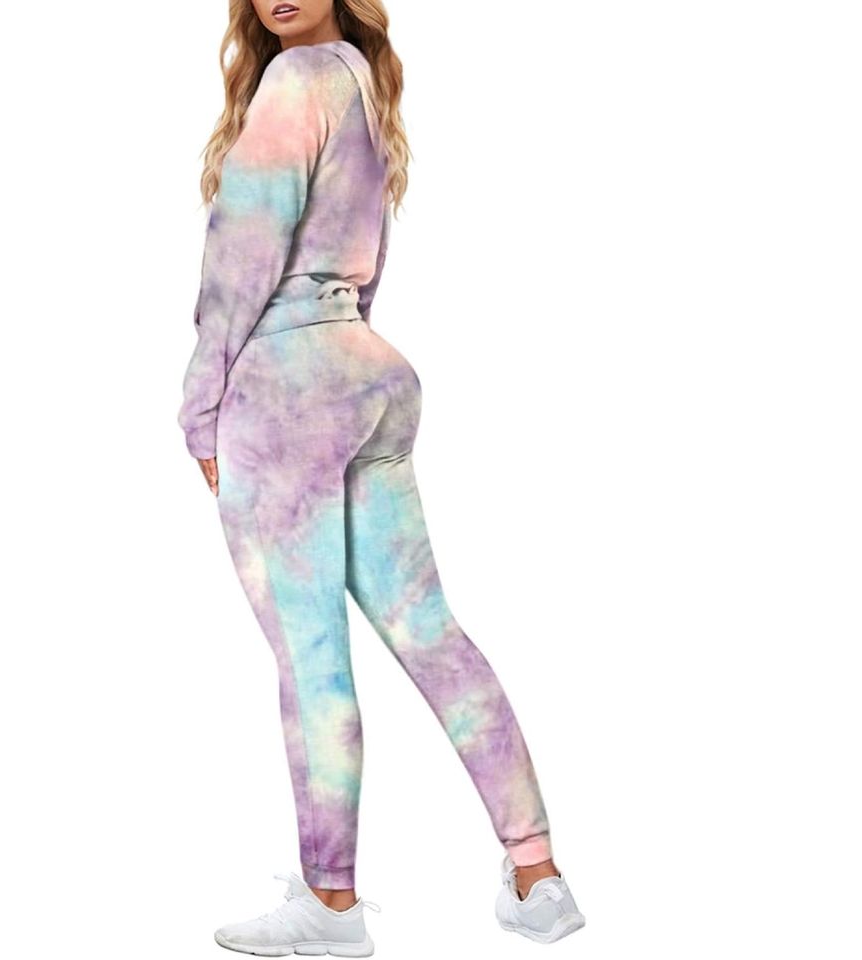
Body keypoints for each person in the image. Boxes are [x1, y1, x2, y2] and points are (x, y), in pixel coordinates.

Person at [177, 1, 586, 953]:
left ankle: (330, 906)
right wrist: (344, 344)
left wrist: (200, 404)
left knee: (312, 655)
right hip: (368, 370)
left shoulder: (294, 80)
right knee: (431, 630)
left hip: (284, 389)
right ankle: (537, 876)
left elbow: (241, 258)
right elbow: (366, 260)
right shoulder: (364, 85)